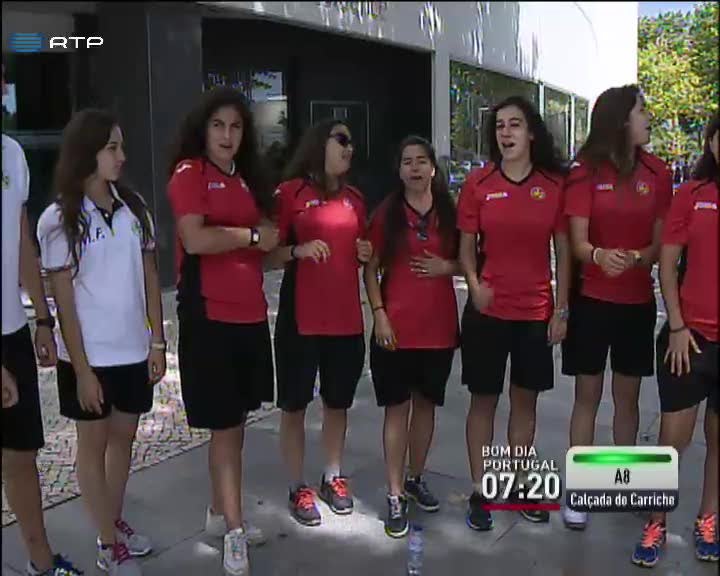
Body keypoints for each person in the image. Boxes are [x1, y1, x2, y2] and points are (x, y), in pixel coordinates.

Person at [37, 109, 165, 576]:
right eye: (112, 147)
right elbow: (64, 303)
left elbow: (150, 277)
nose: (122, 156)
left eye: (121, 146)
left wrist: (158, 343)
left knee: (123, 438)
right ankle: (108, 544)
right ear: (87, 152)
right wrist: (83, 371)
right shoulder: (58, 220)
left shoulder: (135, 208)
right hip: (88, 356)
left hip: (133, 350)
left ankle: (112, 519)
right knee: (91, 445)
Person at [167, 87, 278, 576]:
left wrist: (288, 246)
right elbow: (195, 239)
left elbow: (267, 247)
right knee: (226, 427)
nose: (227, 135)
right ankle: (233, 530)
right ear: (203, 128)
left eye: (235, 126)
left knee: (235, 426)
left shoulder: (249, 180)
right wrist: (250, 236)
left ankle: (219, 512)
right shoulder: (190, 173)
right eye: (218, 125)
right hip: (209, 317)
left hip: (250, 315)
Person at [561, 85, 673, 531]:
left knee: (628, 400)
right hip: (591, 301)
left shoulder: (659, 173)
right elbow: (577, 240)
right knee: (587, 396)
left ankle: (622, 485)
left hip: (637, 303)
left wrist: (640, 257)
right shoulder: (584, 172)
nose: (648, 117)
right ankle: (579, 491)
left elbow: (661, 242)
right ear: (622, 119)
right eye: (642, 110)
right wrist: (598, 255)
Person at [457, 96, 570, 531]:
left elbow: (563, 252)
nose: (505, 132)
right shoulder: (479, 183)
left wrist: (561, 309)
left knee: (525, 404)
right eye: (500, 125)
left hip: (535, 313)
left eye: (514, 124)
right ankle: (481, 491)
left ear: (532, 133)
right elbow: (466, 247)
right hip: (488, 313)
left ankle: (521, 485)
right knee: (483, 402)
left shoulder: (553, 186)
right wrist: (474, 285)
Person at [269, 119, 372, 527]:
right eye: (341, 139)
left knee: (337, 403)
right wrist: (297, 250)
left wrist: (365, 252)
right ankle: (298, 486)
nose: (349, 148)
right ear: (319, 144)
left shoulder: (356, 200)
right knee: (295, 405)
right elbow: (268, 254)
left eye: (352, 142)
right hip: (301, 319)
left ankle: (333, 477)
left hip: (345, 320)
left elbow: (364, 251)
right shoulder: (290, 193)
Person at [2, 66, 83, 576]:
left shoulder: (12, 154)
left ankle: (41, 564)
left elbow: (23, 244)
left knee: (21, 454)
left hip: (12, 331)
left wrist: (43, 320)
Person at [631, 114, 719, 568]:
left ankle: (708, 519)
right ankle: (655, 522)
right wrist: (679, 326)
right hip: (691, 338)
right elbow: (666, 265)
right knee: (672, 441)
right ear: (711, 142)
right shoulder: (692, 194)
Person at [363, 136, 459, 538]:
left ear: (433, 168)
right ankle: (394, 492)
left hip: (438, 329)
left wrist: (447, 267)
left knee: (426, 408)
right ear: (399, 170)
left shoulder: (450, 212)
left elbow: (470, 260)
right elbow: (370, 268)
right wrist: (379, 315)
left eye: (422, 161)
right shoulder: (387, 213)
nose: (415, 168)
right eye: (407, 161)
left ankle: (416, 477)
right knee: (396, 410)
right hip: (396, 330)